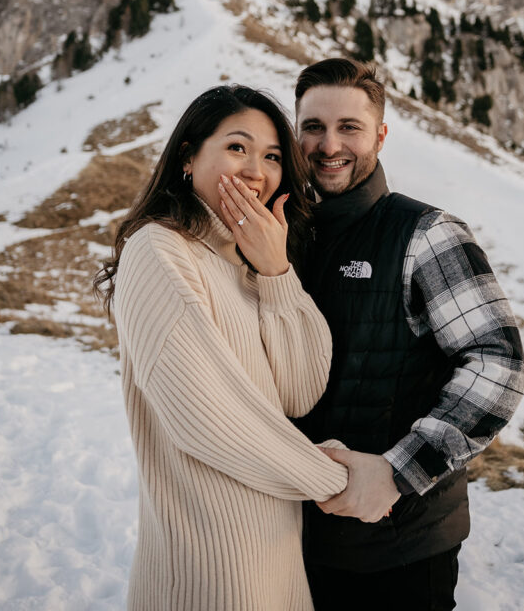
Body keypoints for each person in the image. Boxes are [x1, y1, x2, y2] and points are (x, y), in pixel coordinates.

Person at [94, 84, 348, 611]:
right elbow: (204, 413)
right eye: (237, 147)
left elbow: (301, 393)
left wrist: (277, 272)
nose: (257, 170)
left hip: (275, 553)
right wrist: (337, 482)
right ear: (188, 157)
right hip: (208, 567)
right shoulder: (159, 249)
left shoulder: (253, 266)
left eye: (273, 156)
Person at [293, 58, 524, 611]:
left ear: (380, 133)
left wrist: (399, 472)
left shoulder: (425, 234)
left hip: (398, 546)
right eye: (313, 127)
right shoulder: (282, 235)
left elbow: (499, 363)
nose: (330, 146)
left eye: (349, 127)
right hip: (296, 539)